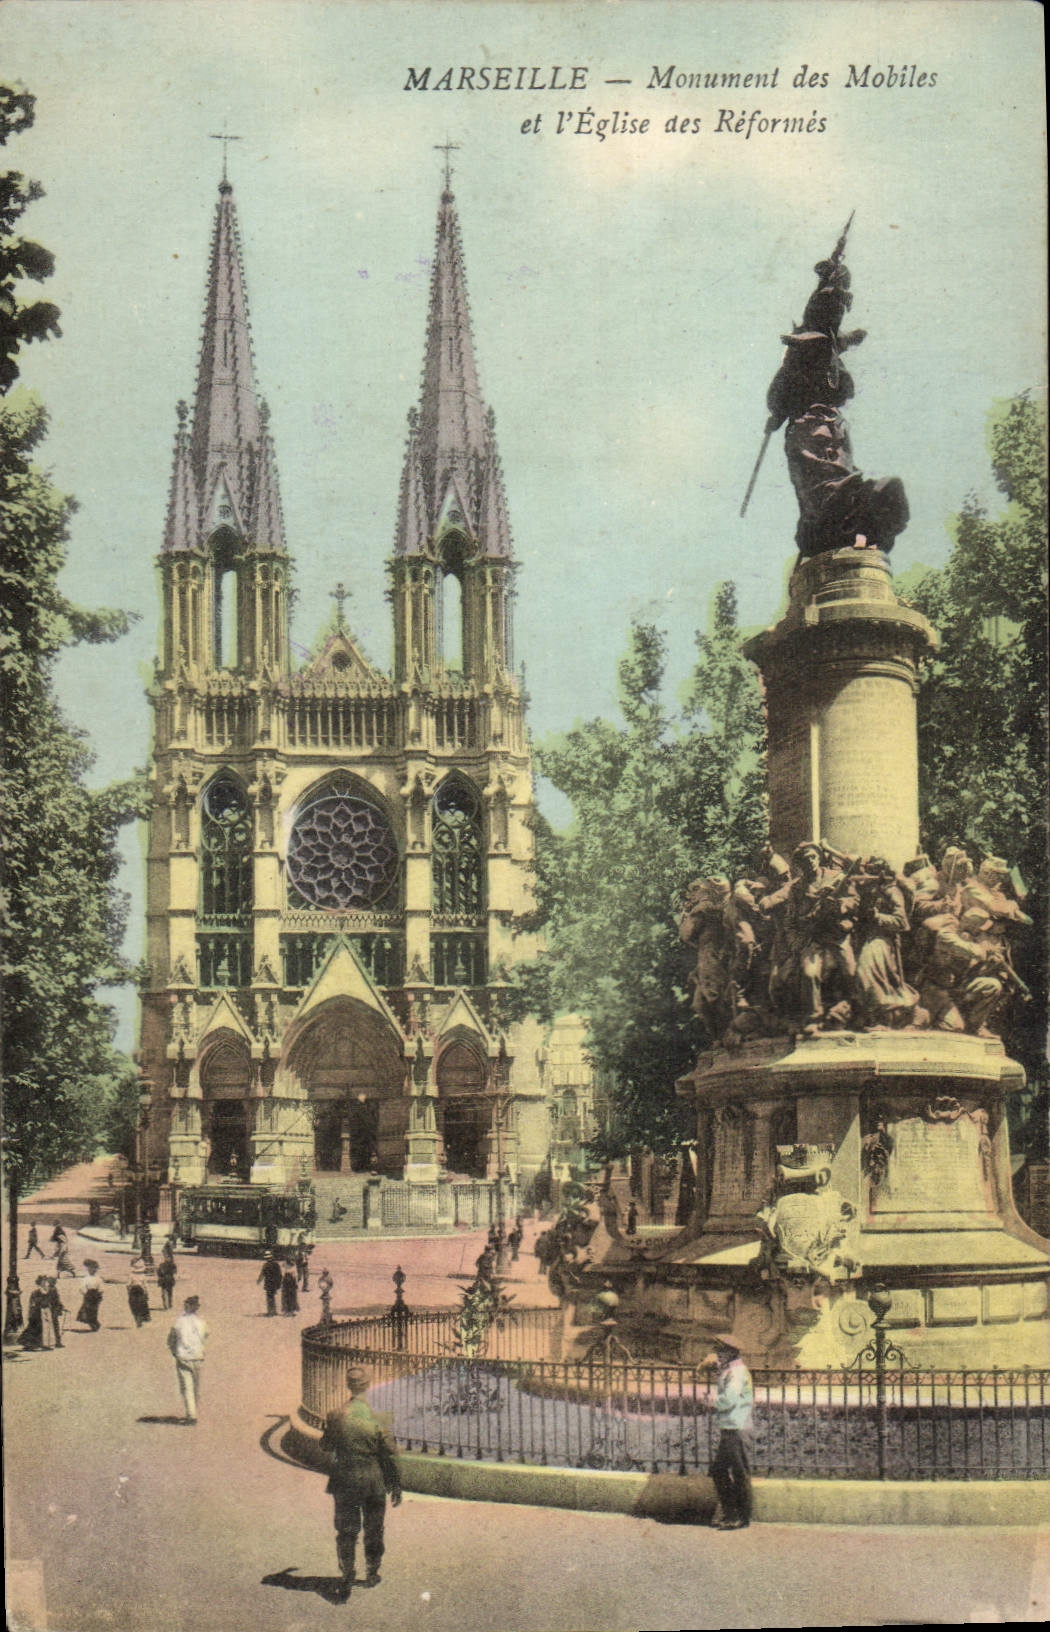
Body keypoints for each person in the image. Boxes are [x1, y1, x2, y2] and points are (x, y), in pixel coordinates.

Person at [319, 1365, 402, 1600]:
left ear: (348, 1386)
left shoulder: (336, 1415)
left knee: (346, 1530)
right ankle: (372, 1573)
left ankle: (347, 1573)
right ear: (368, 1386)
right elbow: (390, 1453)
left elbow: (325, 1445)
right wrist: (396, 1485)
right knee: (374, 1529)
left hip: (344, 1479)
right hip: (373, 1480)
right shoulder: (378, 1416)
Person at [703, 1332, 754, 1530]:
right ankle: (732, 1514)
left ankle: (740, 1517)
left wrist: (711, 1402)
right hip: (732, 1427)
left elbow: (729, 1399)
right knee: (719, 1471)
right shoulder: (731, 1370)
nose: (717, 1354)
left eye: (720, 1351)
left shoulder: (737, 1373)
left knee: (739, 1473)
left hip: (737, 1427)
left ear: (730, 1353)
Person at [166, 1294, 208, 1424]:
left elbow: (171, 1339)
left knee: (187, 1387)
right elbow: (206, 1335)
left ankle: (191, 1415)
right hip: (198, 1356)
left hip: (183, 1356)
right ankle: (193, 1411)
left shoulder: (179, 1321)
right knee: (196, 1386)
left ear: (187, 1306)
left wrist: (174, 1351)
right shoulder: (202, 1322)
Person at [19, 1278, 50, 1349]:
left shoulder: (45, 1291)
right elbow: (34, 1303)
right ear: (40, 1283)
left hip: (43, 1312)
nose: (46, 1283)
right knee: (34, 1328)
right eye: (44, 1282)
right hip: (36, 1313)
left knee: (41, 1328)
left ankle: (40, 1344)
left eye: (46, 1282)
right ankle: (28, 1344)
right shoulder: (36, 1291)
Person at [77, 1260, 104, 1331]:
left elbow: (101, 1288)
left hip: (96, 1295)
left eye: (95, 1269)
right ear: (88, 1269)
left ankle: (95, 1324)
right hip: (88, 1295)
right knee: (87, 1310)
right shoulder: (86, 1278)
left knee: (94, 1310)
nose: (93, 1270)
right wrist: (85, 1294)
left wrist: (99, 1295)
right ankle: (93, 1324)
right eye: (91, 1268)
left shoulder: (98, 1279)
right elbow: (82, 1288)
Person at [258, 1251, 282, 1316]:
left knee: (269, 1297)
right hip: (274, 1283)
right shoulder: (276, 1264)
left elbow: (262, 1274)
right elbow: (279, 1275)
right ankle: (273, 1311)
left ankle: (270, 1312)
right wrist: (279, 1283)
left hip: (268, 1283)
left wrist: (259, 1280)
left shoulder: (266, 1265)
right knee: (272, 1297)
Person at [45, 1277, 65, 1347]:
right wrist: (61, 1306)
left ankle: (55, 1342)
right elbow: (56, 1300)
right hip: (53, 1309)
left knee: (53, 1326)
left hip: (53, 1309)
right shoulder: (52, 1289)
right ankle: (57, 1342)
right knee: (55, 1326)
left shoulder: (49, 1289)